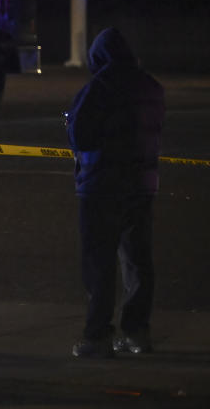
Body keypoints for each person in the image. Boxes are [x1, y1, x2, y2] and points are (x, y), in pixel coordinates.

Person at [67, 27, 164, 358]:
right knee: (137, 260)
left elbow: (80, 133)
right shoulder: (151, 87)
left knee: (100, 263)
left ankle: (98, 336)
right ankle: (137, 332)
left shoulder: (100, 87)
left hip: (101, 187)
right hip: (142, 185)